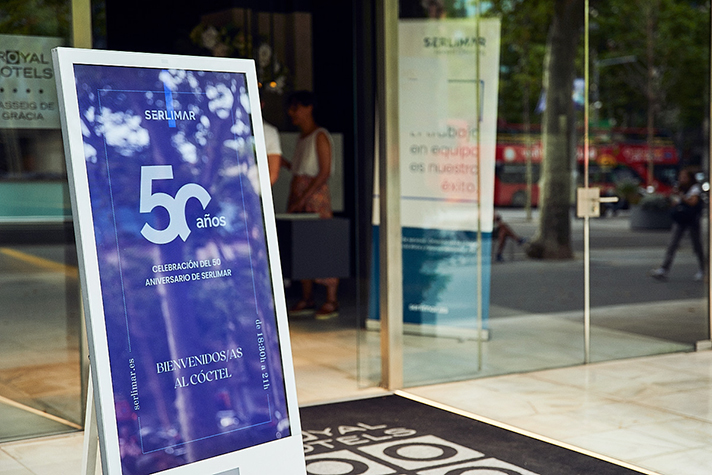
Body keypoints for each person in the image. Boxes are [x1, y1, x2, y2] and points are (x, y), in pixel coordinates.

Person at [282, 90, 339, 318]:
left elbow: (323, 172)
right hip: (299, 196)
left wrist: (303, 199)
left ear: (308, 108)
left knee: (322, 245)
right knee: (302, 246)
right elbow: (296, 167)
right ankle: (307, 298)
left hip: (314, 198)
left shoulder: (320, 136)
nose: (292, 113)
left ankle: (331, 299)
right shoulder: (302, 138)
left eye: (296, 108)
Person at [650, 169, 705, 281]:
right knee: (672, 244)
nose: (682, 179)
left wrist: (682, 197)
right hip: (680, 219)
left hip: (691, 219)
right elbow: (676, 201)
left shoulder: (694, 189)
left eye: (684, 177)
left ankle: (703, 269)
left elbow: (693, 202)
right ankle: (664, 269)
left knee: (697, 246)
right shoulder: (679, 188)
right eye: (681, 177)